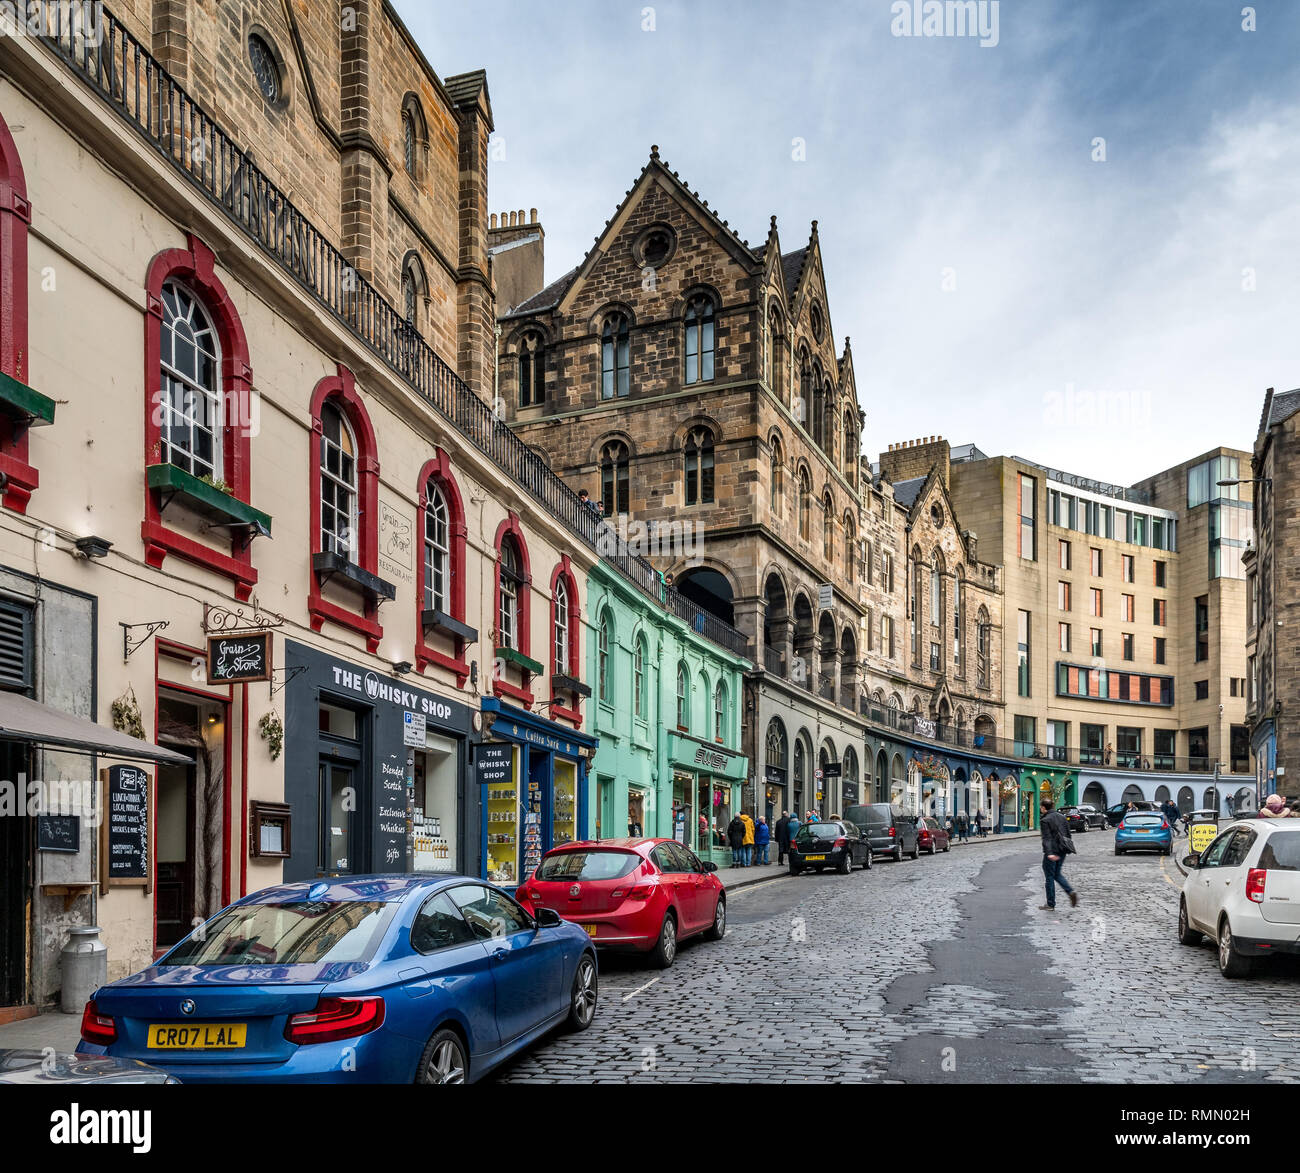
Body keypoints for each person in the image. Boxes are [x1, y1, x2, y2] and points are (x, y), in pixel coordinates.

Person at [1039, 797, 1078, 911]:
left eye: (1041, 807)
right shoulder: (1062, 817)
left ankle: (1050, 904)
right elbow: (1068, 834)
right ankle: (1070, 891)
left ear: (1043, 808)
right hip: (1062, 849)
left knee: (1050, 876)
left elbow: (1046, 838)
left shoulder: (1045, 820)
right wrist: (1067, 848)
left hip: (1052, 851)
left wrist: (1049, 853)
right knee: (1057, 874)